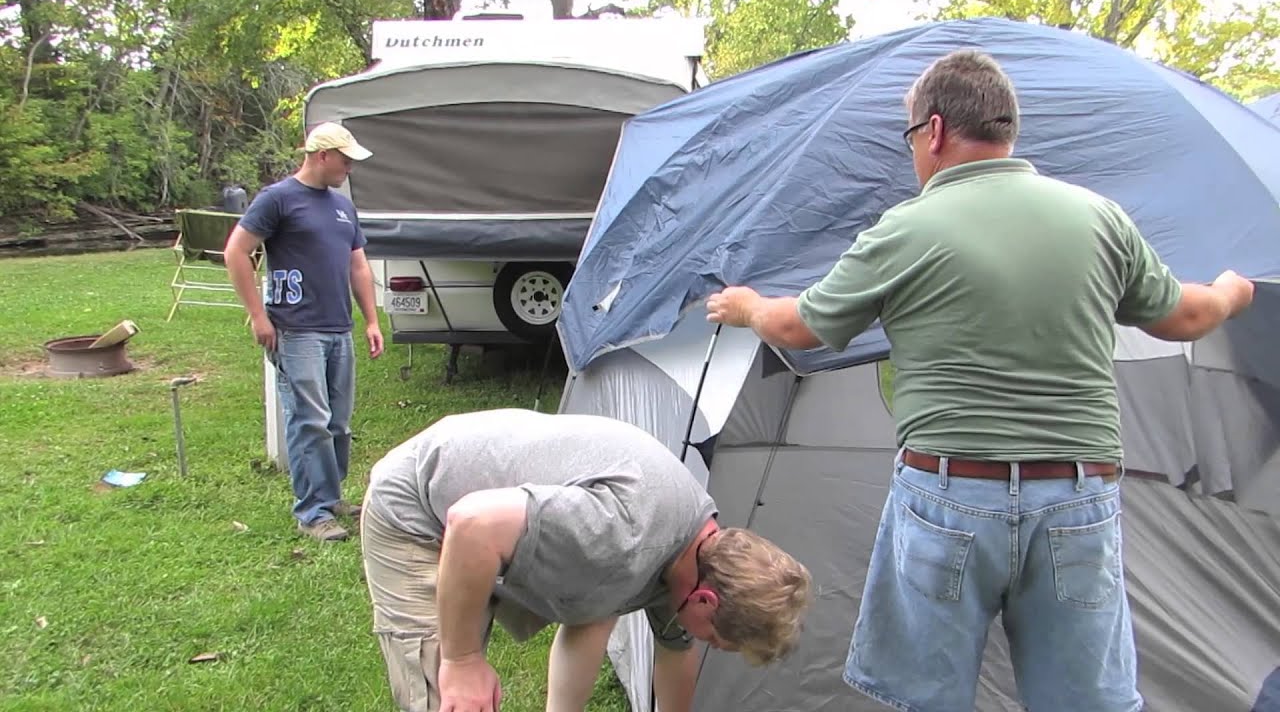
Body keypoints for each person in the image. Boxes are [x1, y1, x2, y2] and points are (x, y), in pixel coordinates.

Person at [705, 50, 1255, 712]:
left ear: (934, 130)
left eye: (911, 138)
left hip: (948, 495)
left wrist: (748, 307)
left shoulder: (907, 228)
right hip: (1074, 497)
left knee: (928, 699)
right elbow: (1188, 317)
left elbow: (798, 328)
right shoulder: (1098, 217)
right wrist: (1231, 290)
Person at [359, 408, 812, 712]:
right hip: (420, 508)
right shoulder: (622, 535)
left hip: (488, 522)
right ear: (705, 601)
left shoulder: (696, 552)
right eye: (715, 639)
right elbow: (472, 524)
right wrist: (461, 660)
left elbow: (664, 646)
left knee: (594, 608)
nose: (704, 642)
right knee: (453, 698)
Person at [225, 121, 385, 542]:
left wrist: (371, 320)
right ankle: (312, 512)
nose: (350, 168)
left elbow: (358, 265)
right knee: (309, 420)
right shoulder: (277, 199)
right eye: (345, 160)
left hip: (338, 328)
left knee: (338, 423)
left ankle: (331, 497)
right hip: (296, 330)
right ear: (322, 155)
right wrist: (258, 316)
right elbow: (236, 251)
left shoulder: (342, 207)